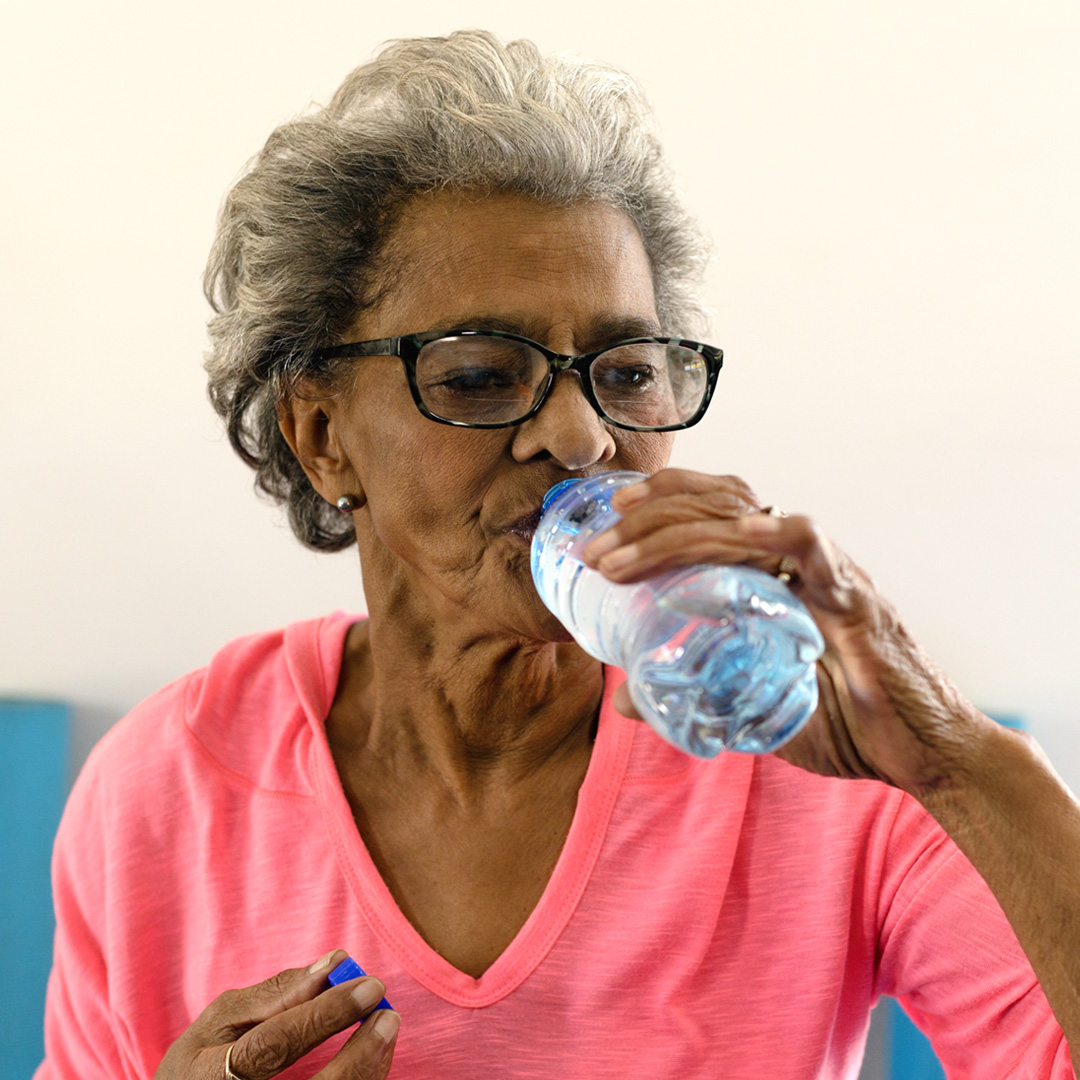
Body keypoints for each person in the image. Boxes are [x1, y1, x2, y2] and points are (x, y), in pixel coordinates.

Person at [35, 30, 1078, 1080]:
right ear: (321, 435)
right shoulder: (167, 787)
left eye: (625, 372)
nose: (582, 439)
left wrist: (965, 767)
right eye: (483, 373)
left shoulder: (812, 746)